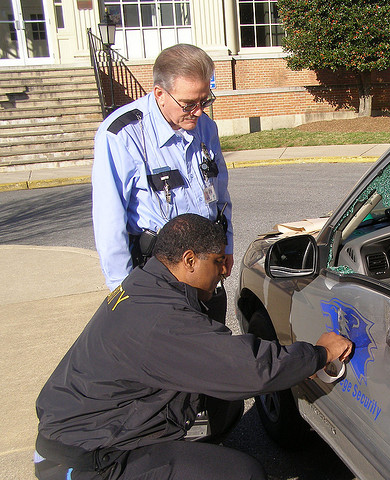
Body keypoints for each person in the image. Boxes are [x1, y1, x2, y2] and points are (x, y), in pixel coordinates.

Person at [35, 214, 353, 480]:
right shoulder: (161, 318)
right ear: (189, 260)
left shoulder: (147, 283)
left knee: (223, 406)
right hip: (90, 460)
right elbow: (249, 368)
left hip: (91, 431)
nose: (225, 271)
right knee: (244, 473)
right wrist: (318, 354)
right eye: (217, 261)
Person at [92, 43, 232, 323]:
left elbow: (220, 195)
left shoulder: (205, 126)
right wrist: (122, 291)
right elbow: (110, 222)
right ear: (159, 94)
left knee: (210, 355)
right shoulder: (122, 135)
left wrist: (225, 248)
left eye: (205, 101)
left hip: (204, 269)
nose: (199, 112)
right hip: (158, 273)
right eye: (189, 103)